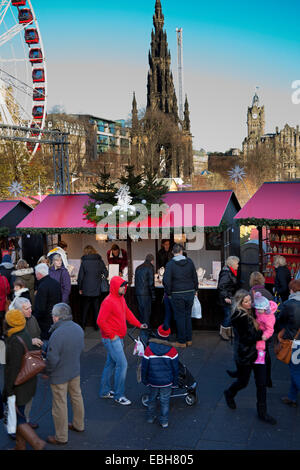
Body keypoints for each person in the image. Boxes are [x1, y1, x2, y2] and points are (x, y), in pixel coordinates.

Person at [223, 289, 276, 425]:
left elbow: (266, 315)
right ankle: (229, 393)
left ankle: (262, 412)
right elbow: (247, 338)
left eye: (250, 300)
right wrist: (264, 334)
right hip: (246, 355)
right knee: (243, 382)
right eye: (245, 301)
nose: (249, 303)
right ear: (239, 302)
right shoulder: (238, 317)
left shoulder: (252, 310)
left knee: (261, 383)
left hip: (259, 354)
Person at [97, 276, 148, 405]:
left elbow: (127, 313)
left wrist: (138, 324)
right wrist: (112, 335)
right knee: (122, 364)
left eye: (125, 285)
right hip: (112, 339)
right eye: (122, 286)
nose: (124, 288)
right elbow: (100, 321)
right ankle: (119, 395)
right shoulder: (108, 301)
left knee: (111, 363)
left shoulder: (120, 299)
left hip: (116, 338)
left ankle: (104, 391)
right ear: (115, 287)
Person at [2, 309, 46, 450]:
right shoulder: (25, 333)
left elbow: (12, 369)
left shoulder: (14, 340)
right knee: (19, 414)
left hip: (18, 385)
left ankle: (36, 443)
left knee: (18, 418)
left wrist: (8, 390)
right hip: (28, 381)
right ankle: (20, 446)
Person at [43, 303, 85, 446]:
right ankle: (79, 424)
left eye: (53, 316)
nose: (53, 318)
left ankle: (61, 437)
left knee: (60, 404)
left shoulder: (57, 334)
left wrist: (46, 372)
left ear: (57, 317)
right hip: (74, 370)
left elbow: (52, 359)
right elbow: (81, 349)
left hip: (59, 375)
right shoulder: (78, 328)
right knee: (76, 397)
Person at [13, 297, 43, 429]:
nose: (31, 310)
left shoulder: (32, 319)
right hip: (18, 365)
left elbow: (38, 333)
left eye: (30, 307)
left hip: (31, 362)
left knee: (29, 394)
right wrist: (31, 341)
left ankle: (25, 420)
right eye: (27, 308)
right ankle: (13, 427)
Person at [141, 324, 179, 428]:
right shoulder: (172, 351)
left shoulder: (148, 349)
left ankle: (150, 417)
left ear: (157, 333)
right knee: (165, 401)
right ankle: (164, 421)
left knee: (152, 398)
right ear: (168, 336)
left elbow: (144, 367)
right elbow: (176, 369)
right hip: (167, 381)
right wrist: (175, 382)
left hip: (153, 381)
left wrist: (144, 379)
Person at [163, 244, 198, 348]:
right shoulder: (190, 262)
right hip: (190, 292)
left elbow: (166, 281)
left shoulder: (170, 264)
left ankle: (182, 341)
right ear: (182, 251)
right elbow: (195, 277)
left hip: (177, 294)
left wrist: (169, 293)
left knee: (180, 317)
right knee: (187, 316)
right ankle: (189, 339)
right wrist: (195, 289)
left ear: (173, 252)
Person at [277, 279, 300, 407]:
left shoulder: (288, 304)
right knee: (297, 370)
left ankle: (292, 397)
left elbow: (280, 320)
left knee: (295, 370)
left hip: (295, 342)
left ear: (292, 290)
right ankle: (292, 396)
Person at [77, 245, 108, 330]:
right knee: (96, 308)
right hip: (96, 288)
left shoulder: (84, 262)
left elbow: (80, 277)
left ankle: (83, 326)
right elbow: (106, 273)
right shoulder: (99, 261)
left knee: (85, 308)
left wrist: (80, 288)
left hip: (86, 289)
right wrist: (100, 278)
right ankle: (96, 326)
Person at [33, 263, 62, 347]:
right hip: (55, 318)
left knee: (46, 345)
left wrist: (34, 318)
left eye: (36, 274)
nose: (36, 276)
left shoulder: (42, 286)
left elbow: (40, 308)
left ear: (39, 274)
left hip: (45, 321)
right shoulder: (56, 283)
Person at [217, 256, 240, 341]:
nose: (238, 265)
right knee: (228, 315)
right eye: (237, 263)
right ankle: (223, 332)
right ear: (232, 264)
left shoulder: (230, 271)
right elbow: (221, 286)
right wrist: (225, 297)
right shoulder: (226, 273)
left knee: (231, 315)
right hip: (227, 298)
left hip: (231, 297)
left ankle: (229, 332)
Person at [135, 254, 156, 343]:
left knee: (142, 314)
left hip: (138, 293)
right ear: (152, 260)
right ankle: (144, 338)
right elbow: (151, 283)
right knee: (147, 315)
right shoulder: (150, 267)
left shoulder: (138, 267)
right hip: (146, 294)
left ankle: (147, 332)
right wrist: (154, 295)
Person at [252, 292, 277, 365]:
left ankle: (261, 358)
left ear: (266, 309)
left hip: (263, 331)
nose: (258, 311)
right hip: (258, 327)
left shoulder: (269, 318)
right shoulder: (259, 310)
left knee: (260, 345)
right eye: (257, 309)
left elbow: (270, 329)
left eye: (260, 309)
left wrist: (265, 335)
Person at [0, 271, 10, 338]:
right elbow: (8, 290)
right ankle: (4, 333)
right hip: (4, 304)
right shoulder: (4, 278)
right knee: (4, 319)